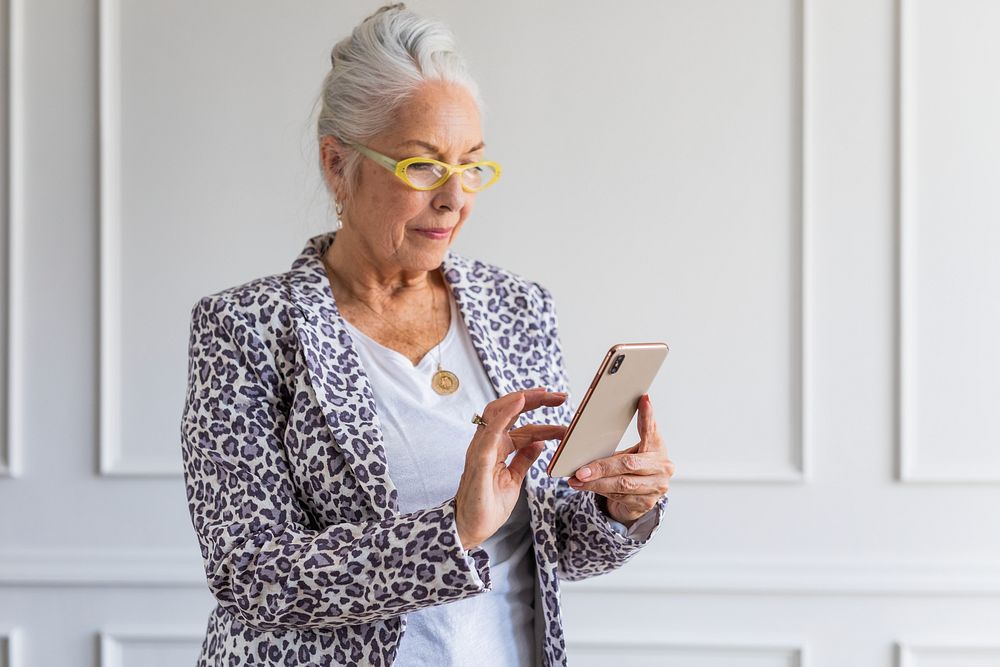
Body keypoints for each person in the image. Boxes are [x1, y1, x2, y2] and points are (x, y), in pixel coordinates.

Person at [180, 4, 675, 666]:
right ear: (337, 166)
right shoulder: (246, 328)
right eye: (421, 166)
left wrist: (622, 506)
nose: (454, 197)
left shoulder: (518, 306)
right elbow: (248, 569)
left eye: (471, 165)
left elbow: (560, 545)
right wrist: (453, 531)